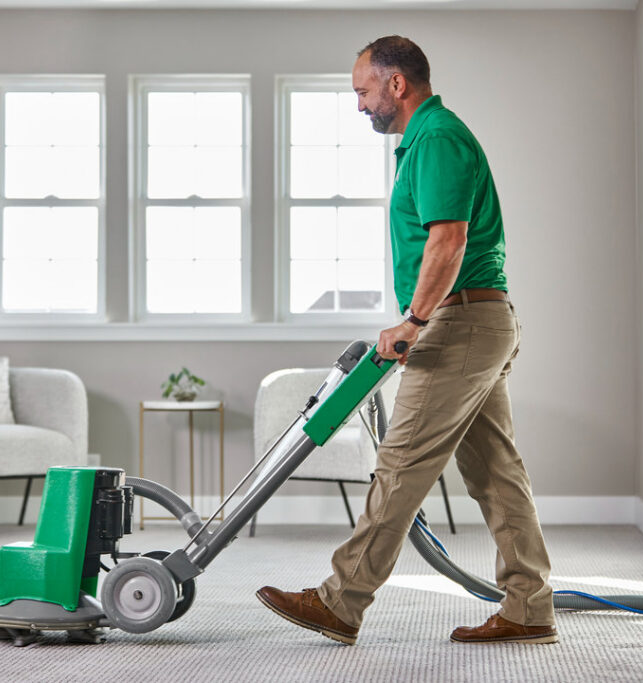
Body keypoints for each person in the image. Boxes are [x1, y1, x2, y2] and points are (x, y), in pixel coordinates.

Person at [256, 35, 557, 646]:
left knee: (400, 464)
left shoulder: (438, 137)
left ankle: (341, 601)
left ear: (397, 84)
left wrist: (415, 321)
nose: (360, 105)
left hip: (458, 323)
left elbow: (450, 239)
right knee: (497, 475)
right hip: (478, 320)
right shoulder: (425, 141)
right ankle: (529, 607)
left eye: (363, 91)